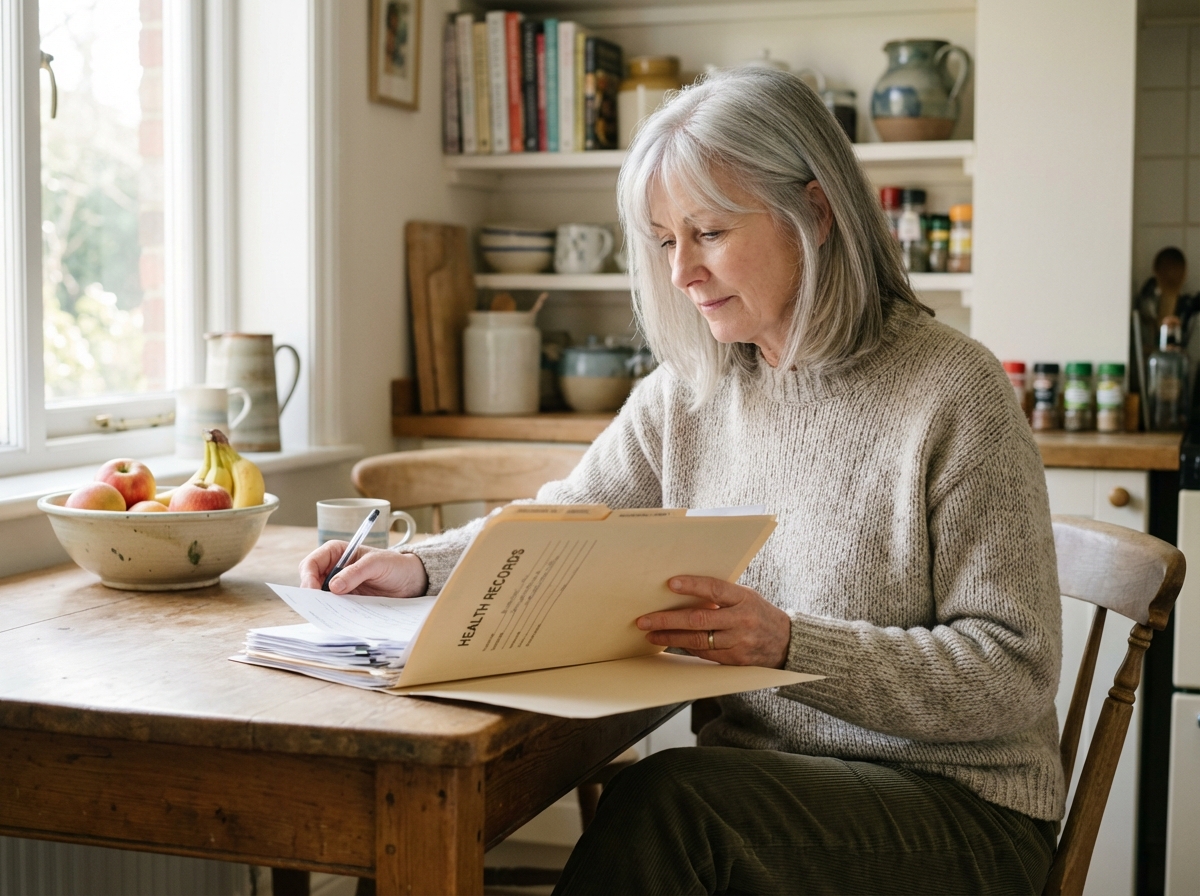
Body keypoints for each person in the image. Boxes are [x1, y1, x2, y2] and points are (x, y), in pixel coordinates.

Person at [301, 67, 1064, 895]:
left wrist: (791, 644)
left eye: (707, 233)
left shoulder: (955, 390)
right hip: (764, 799)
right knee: (672, 804)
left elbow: (1011, 672)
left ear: (815, 212)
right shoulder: (695, 391)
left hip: (960, 814)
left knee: (668, 806)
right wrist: (420, 567)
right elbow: (568, 518)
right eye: (666, 242)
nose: (681, 274)